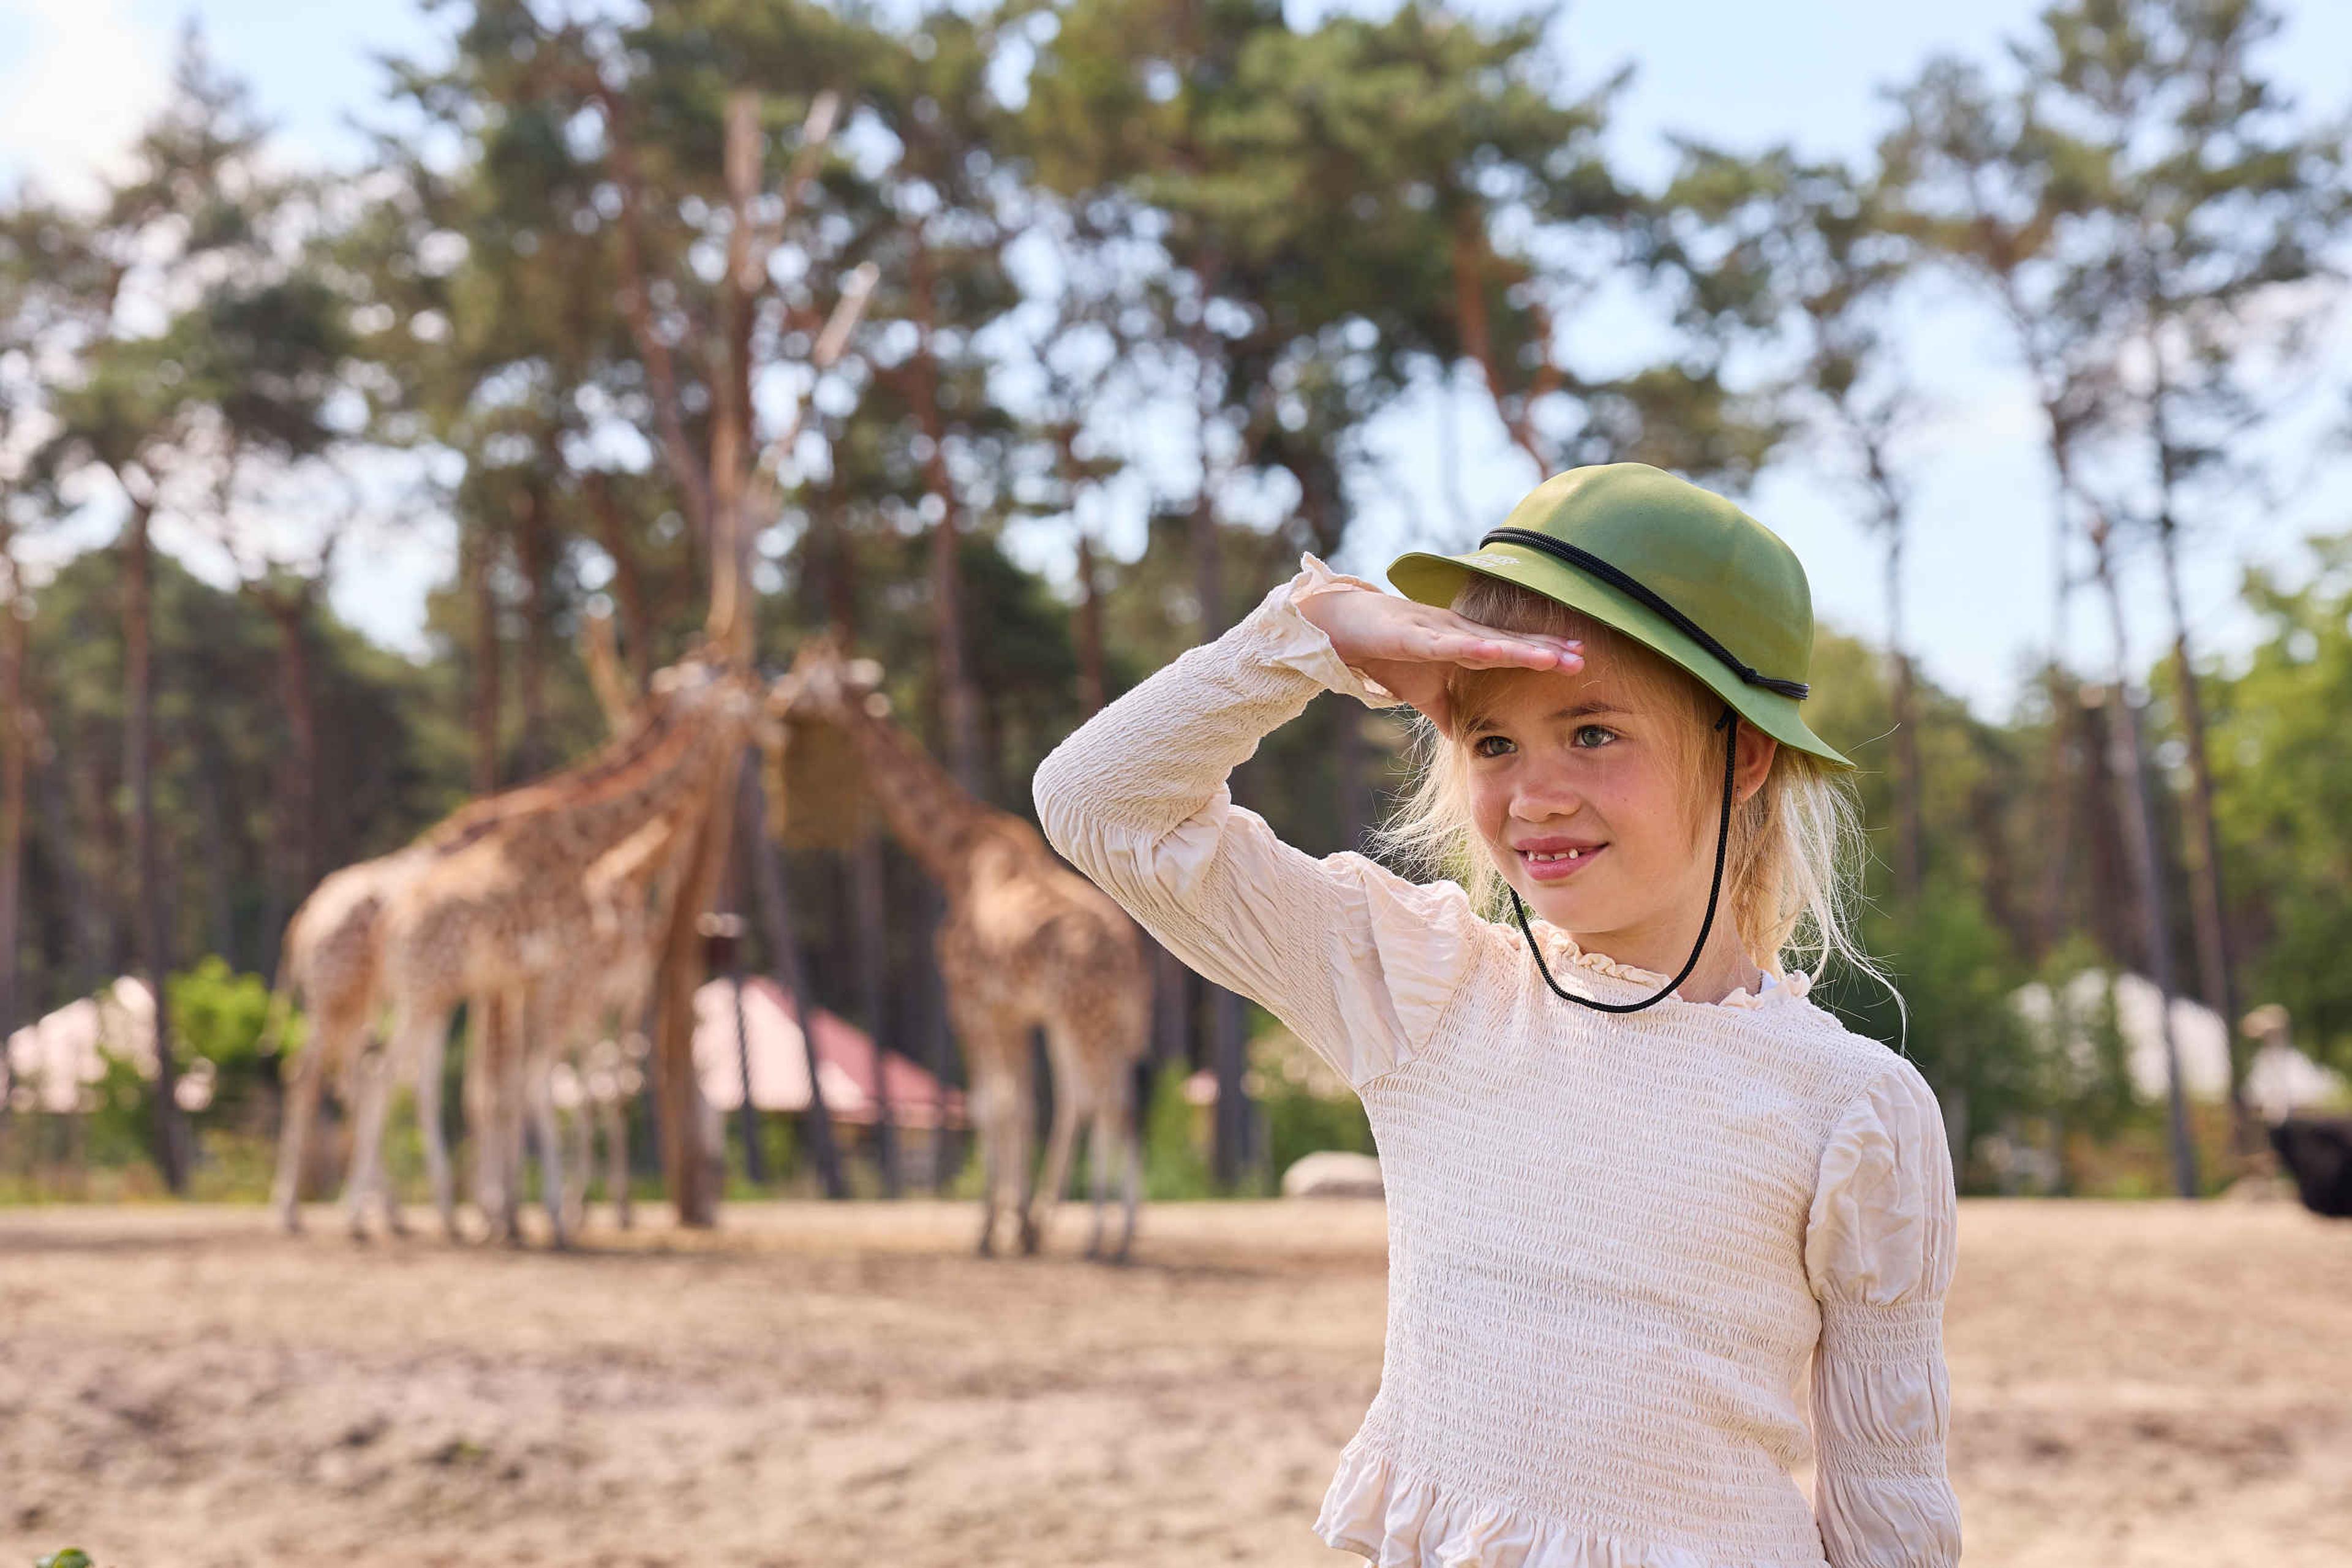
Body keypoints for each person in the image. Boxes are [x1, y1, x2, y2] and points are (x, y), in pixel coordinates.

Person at [1031, 463, 1961, 1567]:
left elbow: (1889, 1496)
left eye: (1594, 733)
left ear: (1744, 753)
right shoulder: (1425, 989)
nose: (1536, 794)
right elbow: (1098, 803)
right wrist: (1318, 635)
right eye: (1493, 742)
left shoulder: (1850, 1107)